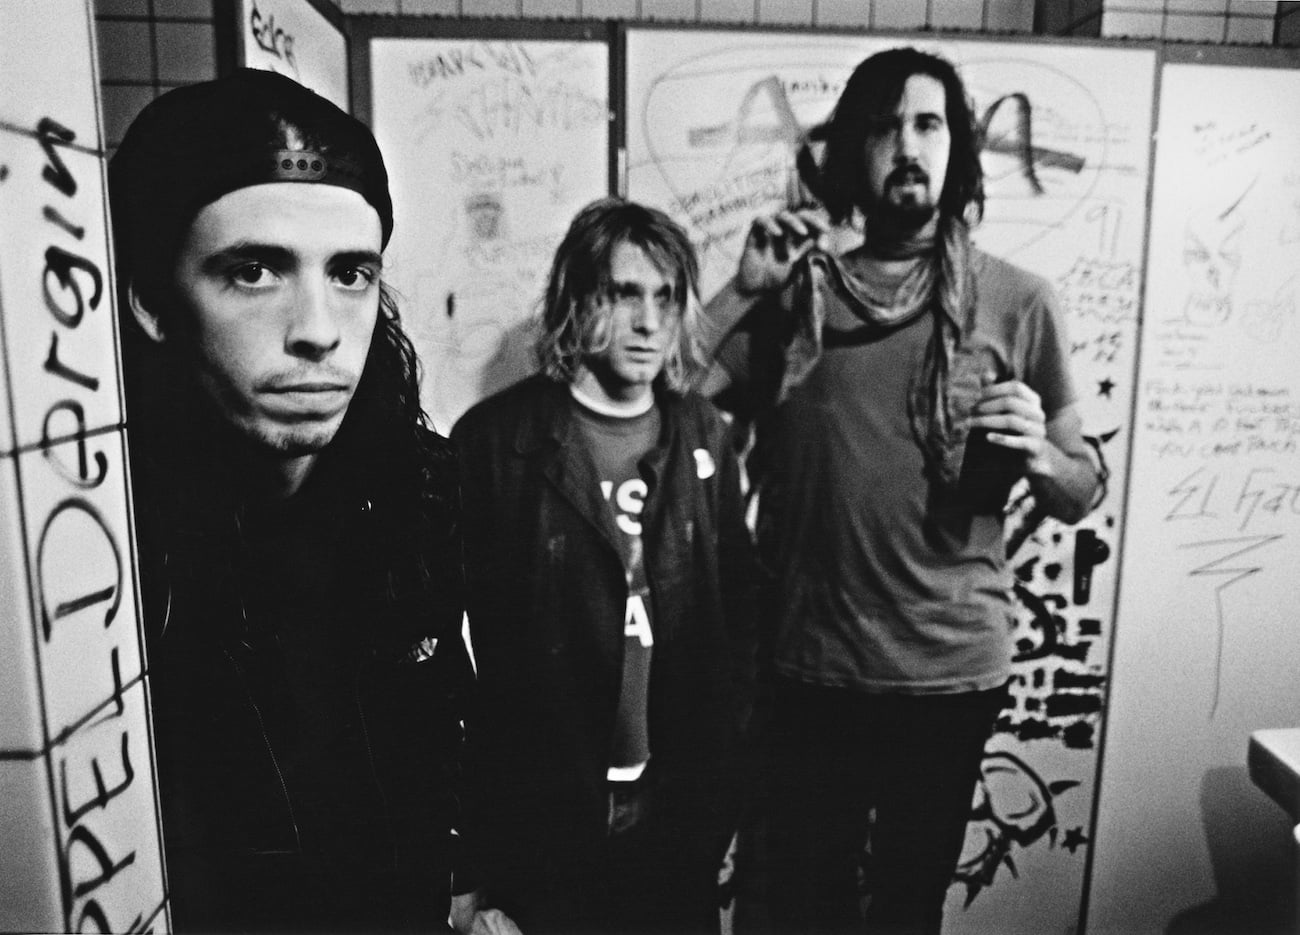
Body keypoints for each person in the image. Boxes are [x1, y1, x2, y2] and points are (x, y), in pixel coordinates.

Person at [701, 48, 1103, 934]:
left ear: (957, 148)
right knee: (801, 907)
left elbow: (1081, 488)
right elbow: (670, 403)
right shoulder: (798, 297)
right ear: (856, 150)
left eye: (929, 124)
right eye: (885, 127)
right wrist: (741, 288)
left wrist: (1041, 454)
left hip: (948, 674)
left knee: (907, 907)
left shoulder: (1019, 300)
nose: (909, 146)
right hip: (813, 667)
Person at [109, 69, 471, 932]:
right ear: (153, 301)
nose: (318, 329)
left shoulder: (422, 491)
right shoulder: (113, 548)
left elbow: (442, 727)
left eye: (350, 273)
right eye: (254, 270)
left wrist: (461, 881)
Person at [450, 198, 759, 935]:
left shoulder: (701, 434)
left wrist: (720, 798)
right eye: (625, 294)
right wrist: (471, 868)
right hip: (543, 820)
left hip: (674, 817)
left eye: (666, 297)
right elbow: (449, 671)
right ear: (578, 299)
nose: (649, 322)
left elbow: (739, 629)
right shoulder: (497, 442)